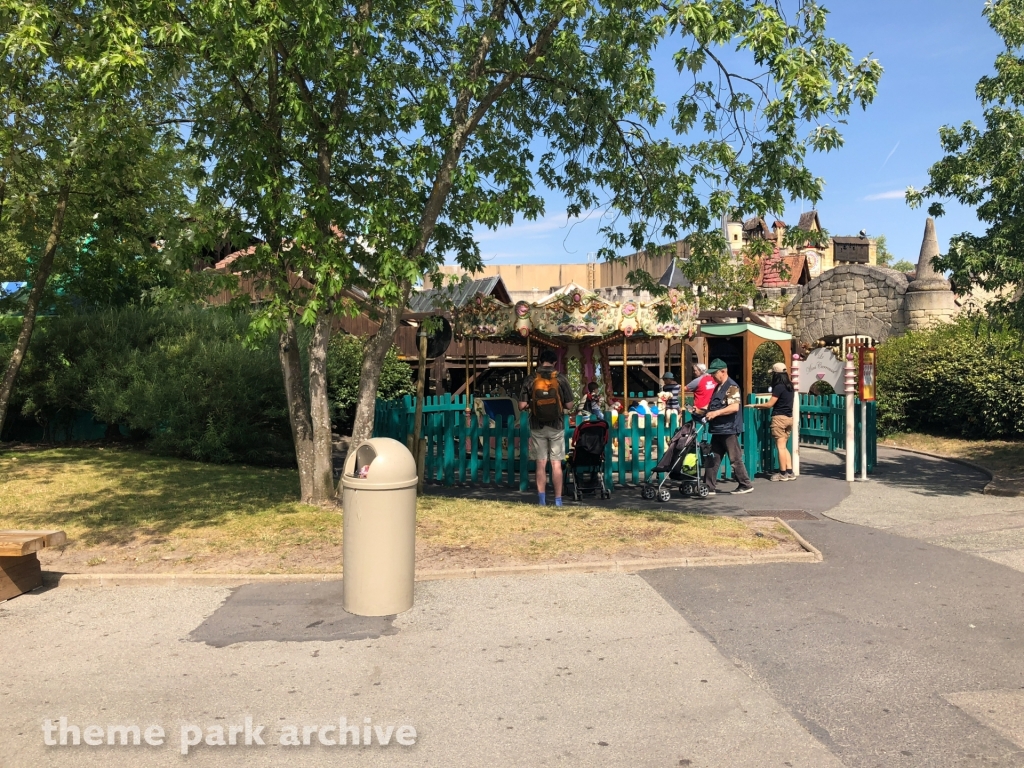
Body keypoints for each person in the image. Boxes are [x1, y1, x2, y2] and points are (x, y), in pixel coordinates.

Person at [519, 349, 574, 506]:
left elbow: (522, 405)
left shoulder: (531, 379)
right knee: (556, 463)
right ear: (555, 362)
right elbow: (569, 405)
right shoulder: (561, 378)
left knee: (540, 463)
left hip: (537, 425)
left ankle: (542, 500)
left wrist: (533, 403)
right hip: (556, 425)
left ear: (539, 361)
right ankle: (558, 500)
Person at [702, 358, 754, 496]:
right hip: (718, 428)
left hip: (729, 428)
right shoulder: (718, 387)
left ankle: (745, 484)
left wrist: (716, 412)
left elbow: (734, 407)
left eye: (714, 373)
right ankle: (708, 486)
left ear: (723, 371)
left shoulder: (732, 386)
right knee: (712, 458)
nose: (712, 376)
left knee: (734, 458)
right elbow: (713, 406)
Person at [754, 362, 795, 481]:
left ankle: (782, 473)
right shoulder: (790, 386)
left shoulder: (779, 387)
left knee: (780, 447)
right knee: (784, 446)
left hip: (779, 418)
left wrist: (757, 405)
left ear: (776, 375)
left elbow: (770, 404)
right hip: (788, 418)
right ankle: (790, 471)